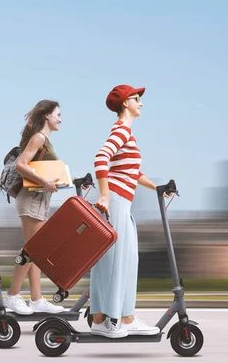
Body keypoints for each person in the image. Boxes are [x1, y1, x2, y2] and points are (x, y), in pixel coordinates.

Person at [90, 84, 161, 338]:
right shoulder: (121, 130)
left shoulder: (127, 133)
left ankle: (120, 317)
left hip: (123, 202)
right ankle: (110, 320)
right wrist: (105, 195)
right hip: (116, 200)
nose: (140, 103)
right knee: (114, 261)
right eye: (136, 99)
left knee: (128, 259)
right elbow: (101, 158)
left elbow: (131, 171)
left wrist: (157, 187)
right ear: (125, 103)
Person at [2, 100, 65, 315]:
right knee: (33, 250)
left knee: (37, 251)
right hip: (31, 199)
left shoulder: (45, 140)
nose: (60, 118)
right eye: (58, 114)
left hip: (39, 200)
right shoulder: (39, 137)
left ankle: (36, 299)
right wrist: (45, 182)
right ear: (47, 116)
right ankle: (12, 295)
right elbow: (21, 164)